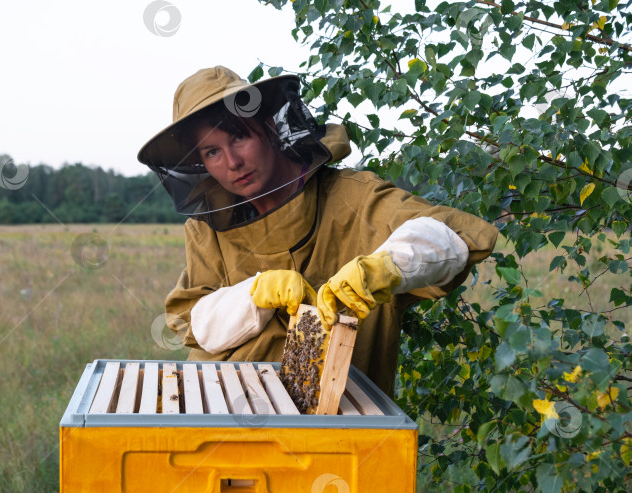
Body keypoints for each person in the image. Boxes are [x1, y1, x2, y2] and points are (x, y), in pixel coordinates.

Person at [137, 66, 498, 397]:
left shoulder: (354, 197)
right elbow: (197, 325)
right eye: (213, 152)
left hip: (338, 424)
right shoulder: (207, 231)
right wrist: (254, 294)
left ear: (270, 127)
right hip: (224, 414)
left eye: (239, 138)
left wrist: (385, 267)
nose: (232, 162)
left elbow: (453, 235)